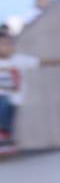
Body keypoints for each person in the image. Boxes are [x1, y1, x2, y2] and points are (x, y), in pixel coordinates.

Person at [0, 25, 40, 155]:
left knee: (9, 117)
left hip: (15, 98)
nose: (8, 47)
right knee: (4, 102)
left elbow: (40, 62)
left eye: (9, 44)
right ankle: (5, 138)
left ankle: (6, 141)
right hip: (3, 97)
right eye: (4, 44)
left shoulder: (19, 59)